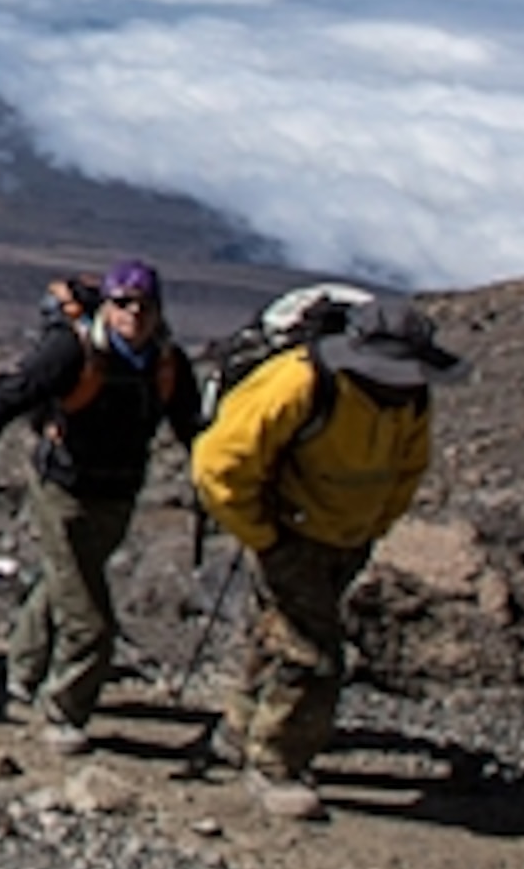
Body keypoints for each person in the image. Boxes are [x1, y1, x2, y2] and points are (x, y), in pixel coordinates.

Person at [192, 294, 456, 821]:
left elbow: (408, 468)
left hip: (347, 537)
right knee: (315, 655)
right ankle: (277, 766)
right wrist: (262, 534)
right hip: (290, 533)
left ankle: (238, 732)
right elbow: (218, 463)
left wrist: (373, 527)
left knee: (278, 632)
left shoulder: (408, 396)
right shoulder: (300, 382)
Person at [0, 259, 203, 755]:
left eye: (145, 305)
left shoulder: (167, 364)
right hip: (63, 489)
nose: (134, 315)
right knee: (90, 618)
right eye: (123, 303)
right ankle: (63, 712)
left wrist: (212, 483)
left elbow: (191, 429)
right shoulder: (72, 351)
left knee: (66, 581)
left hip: (119, 491)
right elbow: (5, 401)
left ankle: (20, 674)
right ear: (108, 304)